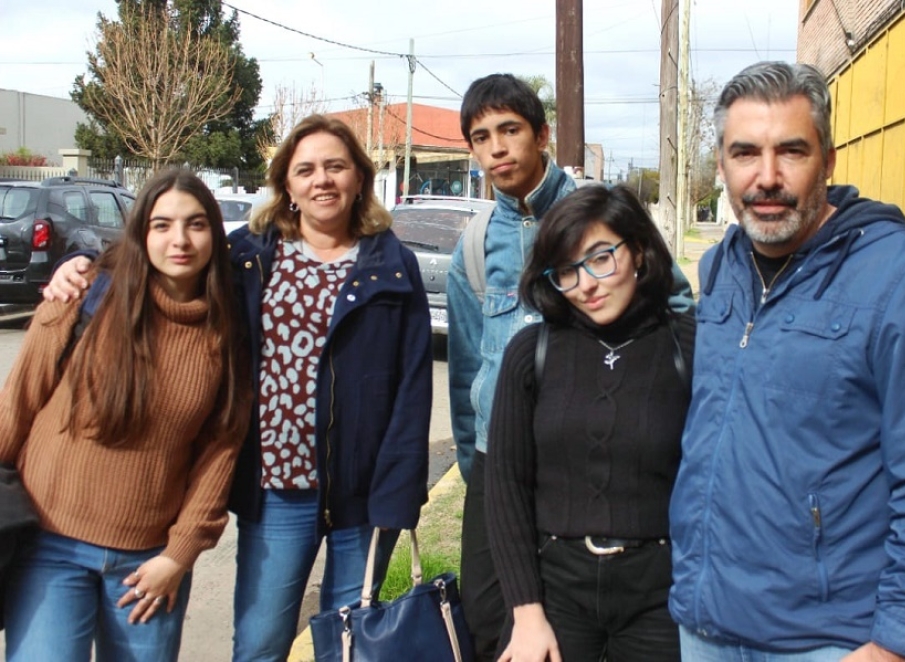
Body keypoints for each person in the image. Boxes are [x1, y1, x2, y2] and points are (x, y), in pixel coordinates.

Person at [43, 115, 434, 662]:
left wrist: (398, 491)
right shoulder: (246, 254)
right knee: (259, 644)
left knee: (354, 645)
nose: (322, 180)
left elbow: (414, 386)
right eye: (306, 170)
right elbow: (152, 263)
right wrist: (76, 264)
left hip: (364, 493)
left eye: (335, 167)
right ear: (288, 184)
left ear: (359, 178)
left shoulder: (394, 266)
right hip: (275, 491)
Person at [668, 61, 905, 661]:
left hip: (831, 641)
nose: (767, 177)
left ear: (829, 160)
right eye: (745, 153)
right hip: (707, 625)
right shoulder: (721, 268)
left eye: (791, 151)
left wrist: (895, 643)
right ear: (720, 165)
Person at [447, 72, 696, 661]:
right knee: (494, 620)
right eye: (482, 138)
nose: (497, 148)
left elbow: (672, 306)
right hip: (502, 453)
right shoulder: (477, 242)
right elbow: (463, 366)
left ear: (542, 134)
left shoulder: (599, 212)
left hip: (600, 455)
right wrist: (475, 461)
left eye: (509, 130)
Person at [1, 168, 250, 661]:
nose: (179, 239)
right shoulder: (83, 295)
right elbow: (18, 404)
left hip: (147, 564)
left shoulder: (227, 333)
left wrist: (178, 557)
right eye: (162, 225)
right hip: (49, 546)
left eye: (196, 224)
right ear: (141, 232)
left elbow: (219, 454)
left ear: (214, 234)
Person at [486, 184, 692, 662]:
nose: (586, 285)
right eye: (566, 271)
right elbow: (505, 489)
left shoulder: (690, 348)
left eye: (601, 258)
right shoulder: (531, 354)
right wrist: (526, 613)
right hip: (555, 589)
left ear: (638, 251)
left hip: (663, 596)